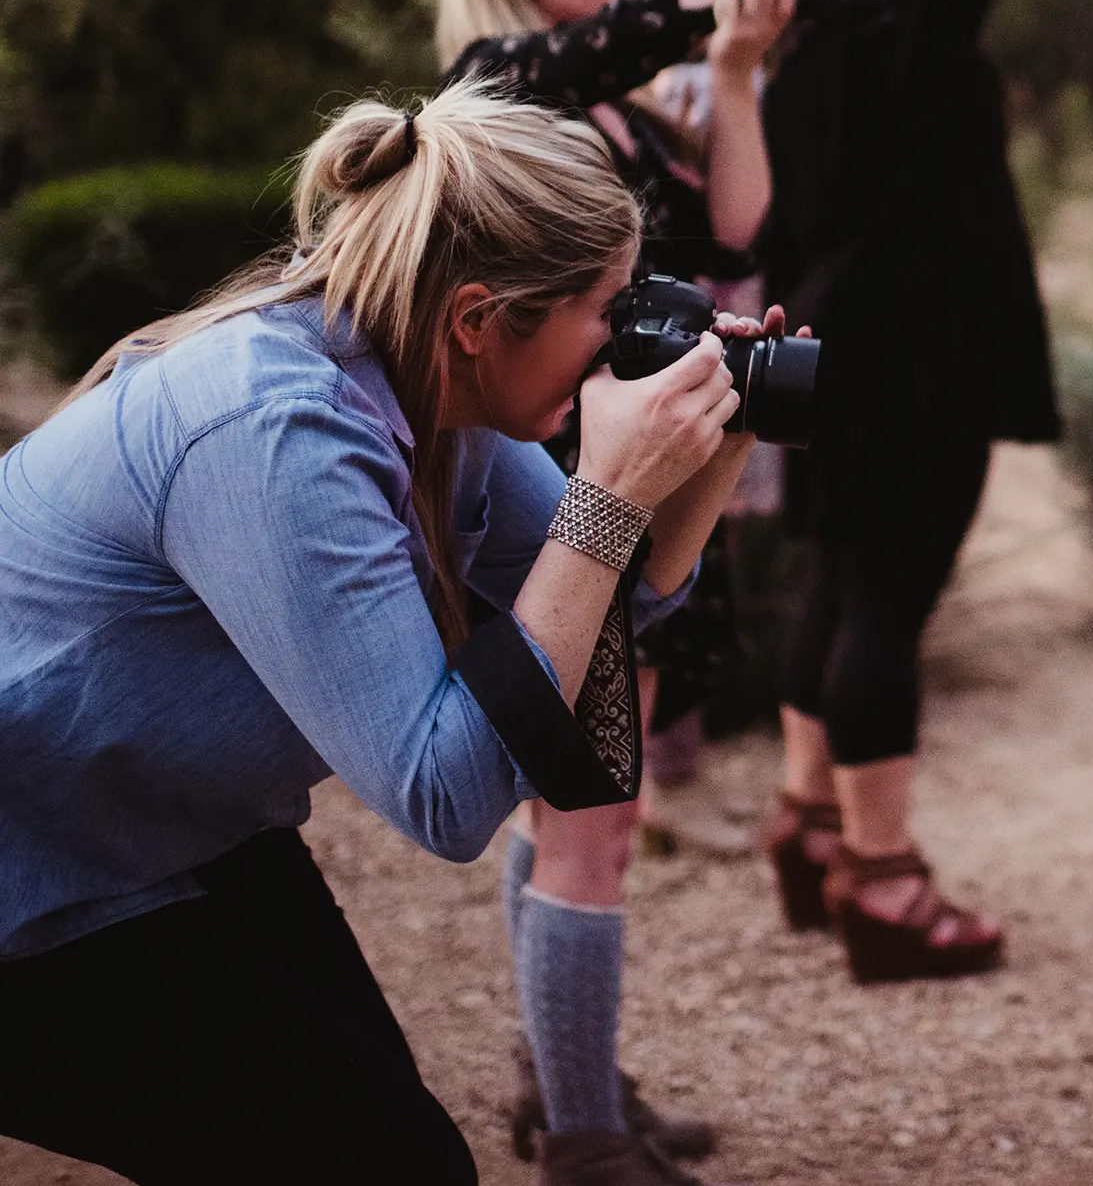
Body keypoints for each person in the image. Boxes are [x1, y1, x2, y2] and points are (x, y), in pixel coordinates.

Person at [0, 83, 773, 1184]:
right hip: (34, 873)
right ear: (475, 319)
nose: (622, 342)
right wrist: (604, 492)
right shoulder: (279, 431)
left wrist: (716, 444)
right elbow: (446, 796)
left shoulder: (431, 390)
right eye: (606, 310)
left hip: (173, 829)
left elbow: (611, 610)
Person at [437, 0, 807, 1181]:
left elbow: (735, 224)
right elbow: (652, 15)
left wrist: (747, 73)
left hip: (659, 473)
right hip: (564, 494)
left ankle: (562, 1082)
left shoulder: (632, 111)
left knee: (578, 817)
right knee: (587, 824)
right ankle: (586, 1145)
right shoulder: (497, 90)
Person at [749, 0, 1066, 983]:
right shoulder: (853, 8)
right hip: (900, 344)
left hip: (838, 335)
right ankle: (883, 883)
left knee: (842, 578)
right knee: (886, 594)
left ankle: (810, 820)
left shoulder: (821, 26)